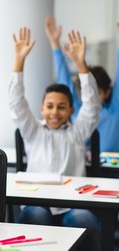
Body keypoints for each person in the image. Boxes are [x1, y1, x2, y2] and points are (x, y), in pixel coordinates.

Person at [9, 27, 101, 251]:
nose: (55, 112)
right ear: (41, 109)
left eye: (61, 107)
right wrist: (19, 61)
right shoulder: (33, 131)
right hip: (37, 203)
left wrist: (82, 66)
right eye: (49, 106)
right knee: (36, 217)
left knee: (85, 221)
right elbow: (16, 102)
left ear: (71, 110)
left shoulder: (78, 132)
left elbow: (91, 105)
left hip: (72, 205)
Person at [45, 15, 119, 153]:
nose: (91, 95)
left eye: (97, 92)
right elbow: (64, 81)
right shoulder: (78, 111)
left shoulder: (115, 110)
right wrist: (55, 44)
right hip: (84, 170)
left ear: (107, 92)